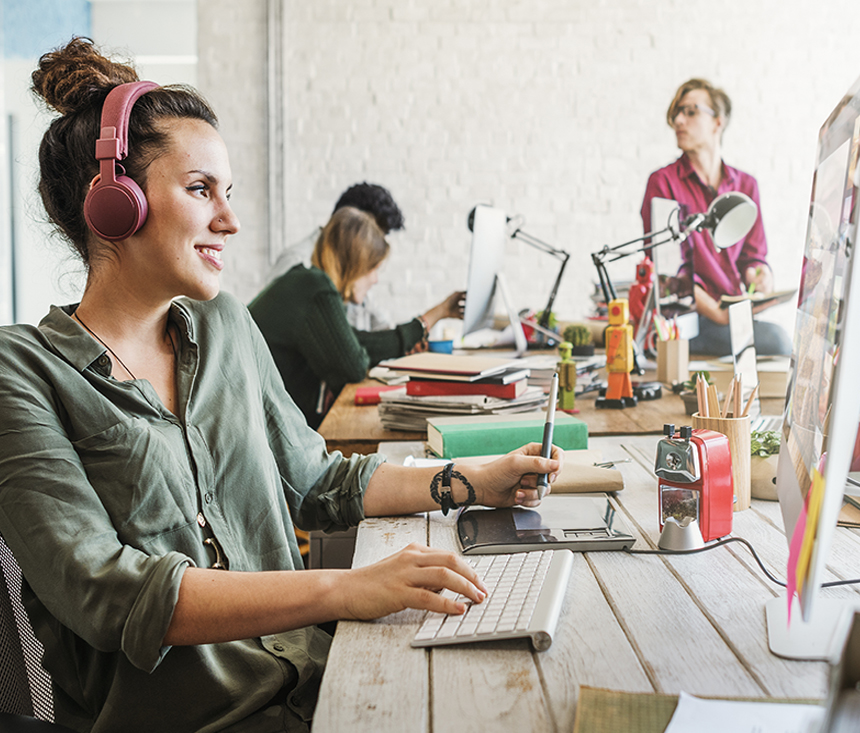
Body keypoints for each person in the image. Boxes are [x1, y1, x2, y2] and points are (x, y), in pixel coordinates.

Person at [0, 38, 560, 732]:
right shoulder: (21, 372)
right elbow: (108, 591)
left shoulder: (226, 325)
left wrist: (473, 479)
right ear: (114, 202)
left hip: (310, 685)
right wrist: (347, 589)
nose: (230, 220)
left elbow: (317, 479)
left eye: (228, 193)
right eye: (202, 189)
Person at [249, 206, 463, 428]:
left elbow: (353, 342)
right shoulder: (315, 288)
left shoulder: (307, 283)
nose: (376, 280)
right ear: (356, 263)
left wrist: (430, 318)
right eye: (374, 269)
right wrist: (426, 322)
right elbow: (352, 365)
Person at [641, 78, 791, 357]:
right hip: (688, 318)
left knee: (779, 342)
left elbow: (755, 256)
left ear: (718, 122)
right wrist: (720, 315)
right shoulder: (662, 184)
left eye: (690, 111)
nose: (678, 121)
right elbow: (669, 274)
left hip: (732, 312)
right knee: (779, 341)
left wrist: (760, 276)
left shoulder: (746, 186)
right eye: (676, 113)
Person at [270, 181, 406, 331]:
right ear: (351, 224)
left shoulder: (352, 268)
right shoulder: (296, 262)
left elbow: (374, 322)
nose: (376, 247)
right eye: (373, 235)